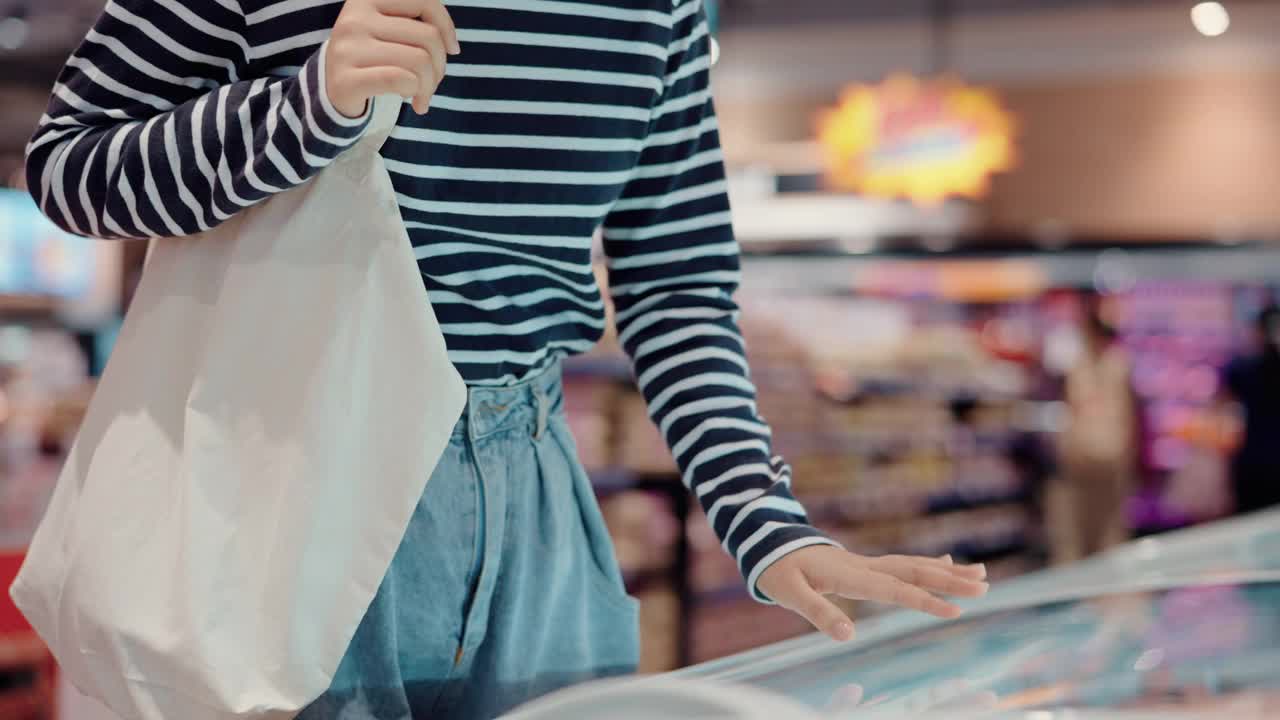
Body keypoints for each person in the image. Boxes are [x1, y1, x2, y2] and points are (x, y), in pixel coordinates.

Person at [25, 1, 988, 717]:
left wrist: (768, 527)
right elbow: (67, 168)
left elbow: (674, 282)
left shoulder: (661, 9)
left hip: (534, 491)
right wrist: (306, 104)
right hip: (287, 469)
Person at [1051, 292, 1138, 564]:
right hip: (1079, 461)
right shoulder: (1071, 361)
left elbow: (1130, 415)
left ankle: (1109, 594)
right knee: (1076, 533)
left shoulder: (1119, 364)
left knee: (1109, 531)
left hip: (1112, 460)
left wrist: (1129, 454)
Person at [1222, 305, 1280, 514]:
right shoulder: (1247, 366)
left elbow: (1227, 384)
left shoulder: (1244, 366)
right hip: (1259, 459)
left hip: (1253, 459)